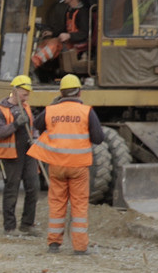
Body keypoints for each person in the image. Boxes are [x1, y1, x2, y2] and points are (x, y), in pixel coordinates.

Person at [27, 74, 104, 255]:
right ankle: (79, 247)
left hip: (56, 165)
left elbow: (38, 125)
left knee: (57, 203)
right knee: (79, 205)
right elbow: (99, 138)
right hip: (78, 167)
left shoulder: (51, 110)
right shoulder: (86, 111)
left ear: (61, 92)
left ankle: (54, 244)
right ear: (79, 92)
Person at [0, 75, 39, 236]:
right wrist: (15, 124)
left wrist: (36, 139)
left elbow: (33, 128)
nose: (27, 97)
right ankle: (10, 227)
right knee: (12, 190)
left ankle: (27, 224)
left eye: (28, 94)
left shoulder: (26, 107)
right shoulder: (1, 110)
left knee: (33, 187)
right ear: (15, 91)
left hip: (28, 153)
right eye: (24, 94)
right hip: (11, 155)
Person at [31, 0, 91, 74]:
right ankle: (37, 66)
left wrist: (69, 36)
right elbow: (64, 28)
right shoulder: (69, 11)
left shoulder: (83, 13)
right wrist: (52, 33)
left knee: (54, 44)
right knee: (45, 42)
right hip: (68, 41)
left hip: (76, 42)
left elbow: (84, 33)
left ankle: (33, 65)